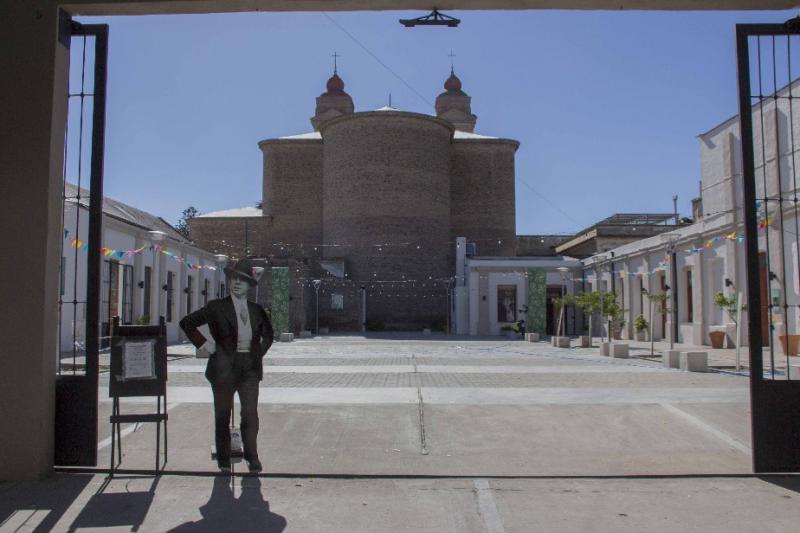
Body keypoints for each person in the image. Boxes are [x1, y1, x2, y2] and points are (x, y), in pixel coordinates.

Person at [180, 258, 274, 473]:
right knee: (222, 414)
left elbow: (269, 335)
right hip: (223, 369)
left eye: (243, 280)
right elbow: (187, 323)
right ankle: (223, 459)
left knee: (250, 414)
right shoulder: (216, 307)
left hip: (249, 369)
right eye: (234, 279)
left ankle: (252, 456)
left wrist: (258, 353)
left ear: (250, 285)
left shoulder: (256, 310)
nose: (237, 283)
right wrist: (207, 345)